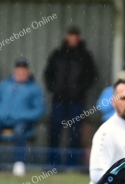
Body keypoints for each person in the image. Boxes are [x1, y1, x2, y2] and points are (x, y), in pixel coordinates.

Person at [0, 58, 44, 177]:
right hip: (2, 120)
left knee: (19, 132)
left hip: (22, 122)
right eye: (18, 71)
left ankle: (19, 164)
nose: (21, 74)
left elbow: (39, 110)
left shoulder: (34, 88)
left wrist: (22, 116)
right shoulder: (4, 84)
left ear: (28, 72)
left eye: (23, 71)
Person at [44, 26, 98, 167]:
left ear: (79, 38)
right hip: (58, 101)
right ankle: (53, 163)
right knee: (55, 131)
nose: (72, 38)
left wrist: (79, 90)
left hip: (77, 102)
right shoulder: (57, 54)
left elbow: (92, 76)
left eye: (75, 36)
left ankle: (72, 164)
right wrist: (54, 88)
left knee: (75, 133)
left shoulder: (85, 56)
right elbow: (48, 74)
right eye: (70, 35)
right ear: (66, 37)